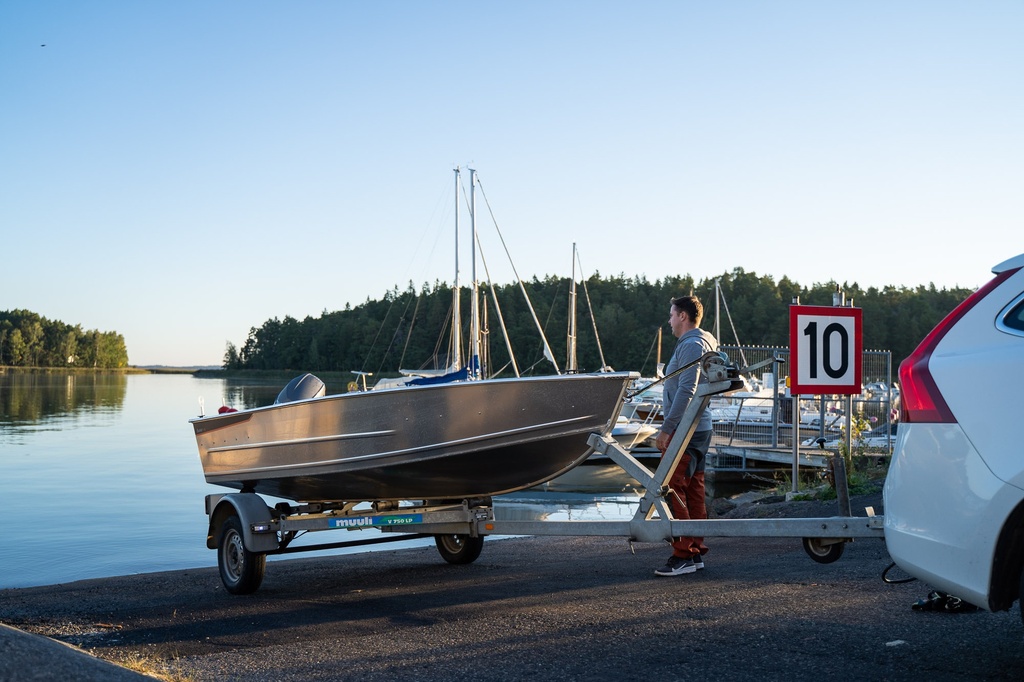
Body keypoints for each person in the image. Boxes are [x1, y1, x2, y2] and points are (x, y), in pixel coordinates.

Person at [653, 295, 719, 577]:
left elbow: (687, 389)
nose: (669, 321)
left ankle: (683, 555)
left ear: (682, 316)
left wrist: (667, 428)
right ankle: (695, 551)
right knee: (693, 489)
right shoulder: (705, 341)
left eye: (671, 315)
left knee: (671, 487)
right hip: (699, 427)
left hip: (687, 429)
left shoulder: (692, 345)